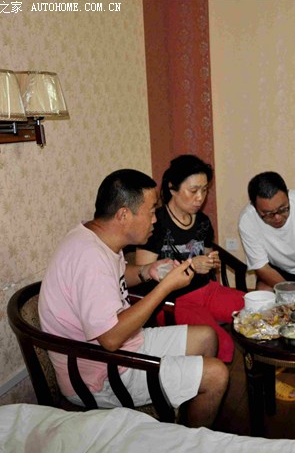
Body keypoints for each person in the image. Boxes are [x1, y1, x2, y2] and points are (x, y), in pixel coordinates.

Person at [38, 169, 229, 428]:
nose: (155, 220)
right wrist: (165, 287)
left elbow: (114, 278)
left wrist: (147, 271)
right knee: (216, 375)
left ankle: (184, 416)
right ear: (124, 215)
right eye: (151, 212)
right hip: (99, 375)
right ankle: (187, 441)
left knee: (207, 336)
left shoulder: (96, 236)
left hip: (124, 347)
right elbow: (110, 339)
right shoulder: (89, 259)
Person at [136, 155, 244, 364]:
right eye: (193, 191)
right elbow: (143, 276)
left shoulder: (202, 222)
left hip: (205, 290)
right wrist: (192, 265)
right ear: (172, 188)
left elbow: (207, 257)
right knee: (223, 343)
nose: (200, 197)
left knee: (255, 308)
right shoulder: (155, 222)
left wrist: (210, 261)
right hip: (172, 300)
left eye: (204, 190)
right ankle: (211, 377)